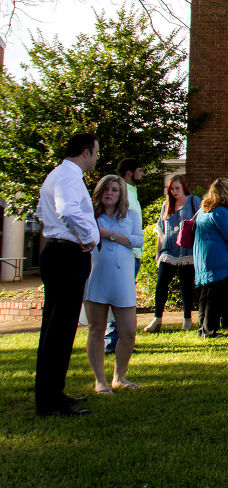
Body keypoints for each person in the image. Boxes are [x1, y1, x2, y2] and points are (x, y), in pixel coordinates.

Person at [35, 133, 101, 417]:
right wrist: (88, 237)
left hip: (61, 253)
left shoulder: (59, 175)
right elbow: (67, 211)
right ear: (85, 152)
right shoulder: (68, 177)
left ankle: (54, 392)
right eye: (96, 152)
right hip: (66, 255)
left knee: (58, 327)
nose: (97, 158)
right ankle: (50, 401)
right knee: (59, 329)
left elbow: (42, 212)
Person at [84, 175, 144, 393]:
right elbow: (87, 238)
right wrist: (120, 237)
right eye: (106, 189)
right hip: (97, 276)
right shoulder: (92, 216)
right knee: (96, 329)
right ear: (100, 192)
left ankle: (119, 376)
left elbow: (138, 241)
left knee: (128, 331)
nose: (110, 193)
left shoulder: (130, 215)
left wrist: (109, 235)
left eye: (115, 190)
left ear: (121, 195)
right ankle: (99, 380)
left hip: (123, 278)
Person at [144, 174, 200, 333]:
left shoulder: (193, 201)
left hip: (186, 251)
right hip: (168, 250)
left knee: (186, 285)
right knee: (161, 283)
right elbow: (161, 230)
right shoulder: (166, 205)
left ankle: (187, 319)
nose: (174, 192)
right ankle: (157, 318)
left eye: (177, 188)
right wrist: (158, 251)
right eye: (171, 189)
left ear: (184, 187)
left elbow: (200, 221)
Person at [104, 158, 143, 354]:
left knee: (124, 298)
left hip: (133, 253)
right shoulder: (120, 194)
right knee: (119, 299)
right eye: (140, 170)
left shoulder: (132, 194)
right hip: (123, 254)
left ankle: (118, 341)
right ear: (129, 173)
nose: (142, 174)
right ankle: (112, 342)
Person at [194, 179, 228, 338]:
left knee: (205, 295)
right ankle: (209, 329)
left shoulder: (203, 210)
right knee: (215, 296)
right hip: (218, 257)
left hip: (203, 256)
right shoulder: (220, 211)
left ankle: (202, 328)